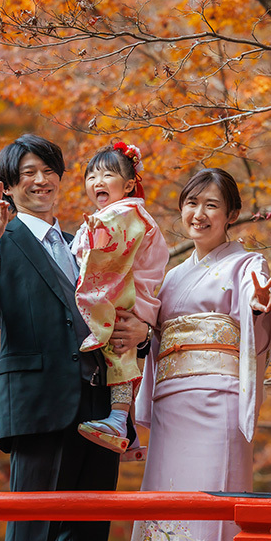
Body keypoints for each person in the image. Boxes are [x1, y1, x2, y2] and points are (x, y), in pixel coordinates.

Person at [0, 134, 148, 541]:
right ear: (7, 187)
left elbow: (122, 313)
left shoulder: (87, 244)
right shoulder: (1, 242)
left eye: (48, 170)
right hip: (37, 408)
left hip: (100, 410)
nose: (40, 180)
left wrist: (142, 334)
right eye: (27, 173)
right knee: (31, 539)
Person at [120, 168, 271, 541]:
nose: (200, 214)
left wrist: (259, 308)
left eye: (212, 205)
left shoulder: (248, 265)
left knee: (211, 503)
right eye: (192, 203)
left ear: (231, 214)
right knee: (165, 501)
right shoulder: (170, 277)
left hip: (217, 402)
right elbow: (150, 339)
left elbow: (256, 322)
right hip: (172, 405)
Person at [71, 141, 168, 454]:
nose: (98, 182)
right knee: (121, 351)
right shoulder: (118, 214)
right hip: (126, 290)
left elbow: (111, 251)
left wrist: (95, 238)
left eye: (107, 175)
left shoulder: (127, 213)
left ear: (128, 185)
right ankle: (125, 425)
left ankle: (118, 420)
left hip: (130, 293)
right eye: (91, 177)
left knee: (120, 348)